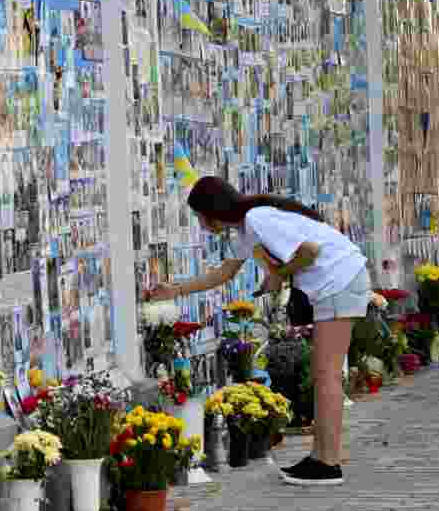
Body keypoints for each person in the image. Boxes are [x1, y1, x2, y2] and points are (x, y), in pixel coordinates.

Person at [147, 176, 370, 487]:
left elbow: (310, 251)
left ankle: (328, 463)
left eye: (199, 216)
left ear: (212, 210)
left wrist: (278, 275)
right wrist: (174, 290)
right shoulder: (243, 231)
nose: (200, 224)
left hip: (339, 281)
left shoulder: (256, 219)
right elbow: (224, 274)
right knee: (324, 376)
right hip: (335, 285)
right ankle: (320, 457)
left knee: (327, 376)